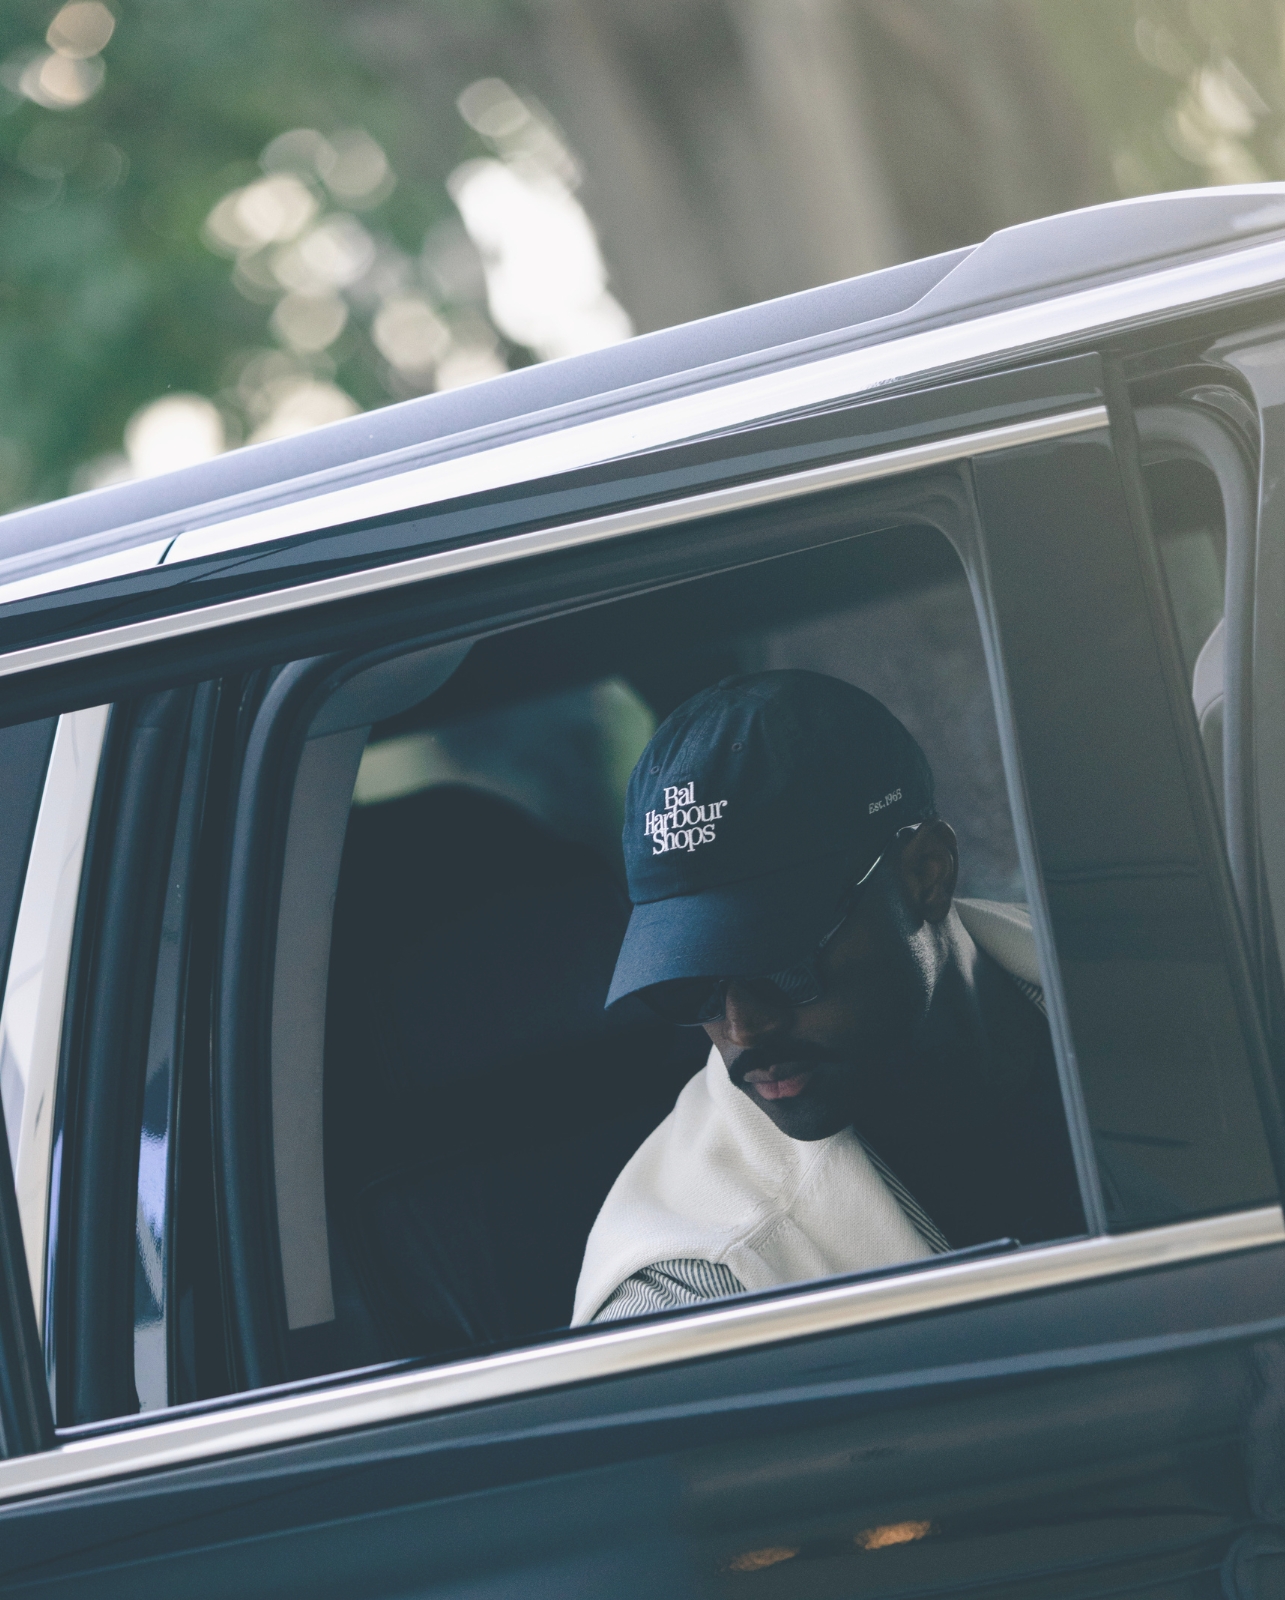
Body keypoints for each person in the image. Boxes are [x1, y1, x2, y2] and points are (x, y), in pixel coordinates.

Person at [572, 669, 1083, 1326]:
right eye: (691, 985)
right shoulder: (699, 1291)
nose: (743, 1027)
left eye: (779, 959)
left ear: (926, 874)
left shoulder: (1190, 993)